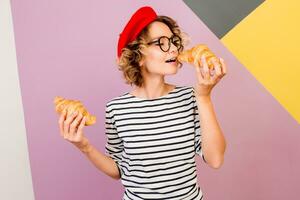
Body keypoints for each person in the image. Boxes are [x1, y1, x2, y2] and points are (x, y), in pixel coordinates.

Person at [58, 6, 227, 200]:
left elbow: (215, 159)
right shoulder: (116, 109)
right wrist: (84, 146)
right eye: (161, 43)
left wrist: (204, 97)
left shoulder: (191, 98)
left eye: (173, 41)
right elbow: (118, 169)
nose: (172, 48)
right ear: (138, 55)